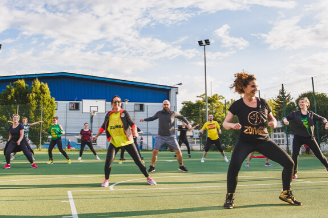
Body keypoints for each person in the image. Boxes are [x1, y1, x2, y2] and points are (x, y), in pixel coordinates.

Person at [223, 72, 301, 209]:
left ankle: (286, 193)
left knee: (289, 163)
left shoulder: (263, 103)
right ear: (244, 87)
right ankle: (229, 198)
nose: (255, 89)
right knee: (233, 167)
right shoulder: (237, 105)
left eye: (257, 86)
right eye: (253, 86)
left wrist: (273, 123)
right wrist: (232, 125)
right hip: (245, 141)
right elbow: (225, 123)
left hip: (263, 141)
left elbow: (272, 119)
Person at [92, 95, 156, 187]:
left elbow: (133, 124)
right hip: (115, 142)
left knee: (138, 161)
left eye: (118, 102)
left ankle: (148, 178)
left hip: (127, 141)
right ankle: (106, 180)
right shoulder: (109, 115)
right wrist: (96, 136)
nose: (116, 103)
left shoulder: (124, 113)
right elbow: (103, 126)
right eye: (114, 102)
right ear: (112, 104)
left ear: (120, 103)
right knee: (108, 161)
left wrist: (135, 133)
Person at [283, 97, 328, 179]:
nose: (301, 103)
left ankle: (327, 166)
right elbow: (285, 117)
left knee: (320, 155)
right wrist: (285, 120)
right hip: (298, 137)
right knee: (295, 155)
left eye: (303, 102)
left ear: (307, 104)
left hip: (309, 138)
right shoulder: (295, 113)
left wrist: (326, 123)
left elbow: (322, 119)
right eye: (300, 102)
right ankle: (294, 172)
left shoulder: (311, 114)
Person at [140, 100, 190, 173]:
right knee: (155, 151)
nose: (165, 106)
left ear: (169, 105)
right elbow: (152, 118)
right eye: (164, 104)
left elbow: (182, 117)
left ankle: (181, 166)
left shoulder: (173, 113)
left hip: (171, 136)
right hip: (160, 136)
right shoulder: (159, 113)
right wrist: (144, 119)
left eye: (167, 104)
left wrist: (188, 123)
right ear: (162, 105)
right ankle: (152, 167)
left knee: (178, 151)